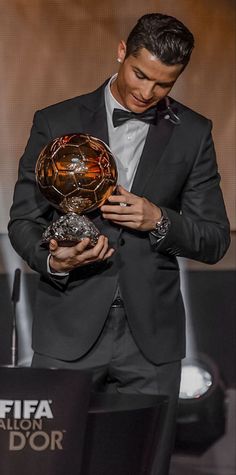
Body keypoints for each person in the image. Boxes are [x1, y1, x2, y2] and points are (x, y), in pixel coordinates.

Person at [8, 13, 230, 475]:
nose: (146, 93)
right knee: (48, 465)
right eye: (140, 74)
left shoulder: (194, 132)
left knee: (145, 465)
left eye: (164, 85)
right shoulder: (56, 120)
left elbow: (212, 239)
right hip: (66, 331)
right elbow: (23, 221)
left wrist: (159, 219)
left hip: (151, 340)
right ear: (120, 52)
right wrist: (55, 259)